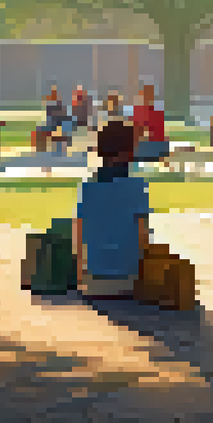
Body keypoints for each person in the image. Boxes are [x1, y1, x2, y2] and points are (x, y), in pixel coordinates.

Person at [73, 121, 151, 299]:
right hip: (130, 281)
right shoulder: (137, 187)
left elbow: (79, 235)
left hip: (93, 282)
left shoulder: (87, 188)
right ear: (129, 152)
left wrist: (80, 278)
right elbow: (143, 237)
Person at [130, 84, 170, 163]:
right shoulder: (157, 113)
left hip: (148, 147)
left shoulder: (140, 112)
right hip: (157, 148)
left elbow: (138, 133)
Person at [32, 87, 71, 153]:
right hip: (52, 127)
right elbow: (49, 120)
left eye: (54, 94)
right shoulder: (50, 107)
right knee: (38, 130)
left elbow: (63, 120)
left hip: (58, 128)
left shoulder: (61, 108)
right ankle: (40, 149)